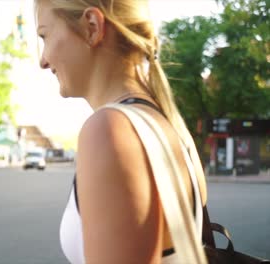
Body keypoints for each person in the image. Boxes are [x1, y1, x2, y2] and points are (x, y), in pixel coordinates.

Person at [34, 0, 208, 263]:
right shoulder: (171, 128)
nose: (42, 61)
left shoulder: (110, 130)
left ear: (92, 27)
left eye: (45, 36)